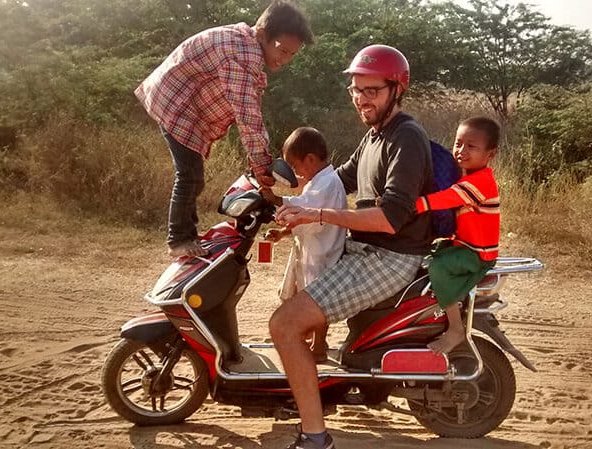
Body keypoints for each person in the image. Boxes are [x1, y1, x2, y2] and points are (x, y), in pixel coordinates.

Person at [270, 45, 433, 449]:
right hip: (364, 251)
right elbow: (334, 181)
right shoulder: (374, 136)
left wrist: (318, 217)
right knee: (295, 303)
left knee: (284, 325)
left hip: (389, 257)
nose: (362, 98)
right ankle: (320, 387)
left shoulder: (406, 139)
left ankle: (314, 435)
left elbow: (389, 218)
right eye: (356, 89)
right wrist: (282, 205)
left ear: (397, 89)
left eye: (372, 90)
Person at [134, 1, 313, 258]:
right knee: (189, 175)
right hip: (176, 105)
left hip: (184, 106)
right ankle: (179, 239)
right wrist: (263, 167)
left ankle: (188, 234)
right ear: (262, 35)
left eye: (291, 54)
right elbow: (247, 115)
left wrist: (260, 165)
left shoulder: (244, 43)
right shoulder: (241, 53)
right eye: (282, 50)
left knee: (193, 175)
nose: (284, 60)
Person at [415, 117, 501, 354]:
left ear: (490, 154)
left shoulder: (480, 182)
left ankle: (455, 328)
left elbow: (448, 198)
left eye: (471, 146)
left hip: (476, 254)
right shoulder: (466, 177)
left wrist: (416, 204)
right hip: (464, 245)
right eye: (458, 143)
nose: (461, 151)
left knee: (439, 268)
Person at [262, 127, 347, 363]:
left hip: (322, 253)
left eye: (295, 165)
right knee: (305, 294)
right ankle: (310, 339)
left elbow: (307, 210)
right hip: (311, 249)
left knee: (317, 301)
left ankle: (319, 346)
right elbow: (305, 219)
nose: (295, 172)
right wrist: (282, 233)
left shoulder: (328, 183)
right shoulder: (317, 181)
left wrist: (276, 199)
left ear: (310, 159)